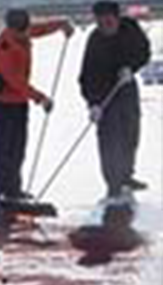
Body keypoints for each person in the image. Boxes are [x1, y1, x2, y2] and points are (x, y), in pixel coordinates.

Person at [0, 9, 74, 208]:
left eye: (26, 29)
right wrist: (41, 99)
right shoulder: (3, 48)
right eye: (22, 32)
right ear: (10, 29)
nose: (26, 34)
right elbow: (16, 82)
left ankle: (12, 189)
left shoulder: (22, 31)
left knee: (18, 147)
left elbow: (40, 28)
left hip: (18, 101)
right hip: (0, 103)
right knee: (2, 148)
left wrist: (61, 24)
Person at [79, 1, 151, 199]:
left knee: (130, 133)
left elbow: (144, 52)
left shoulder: (130, 28)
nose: (105, 25)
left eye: (109, 20)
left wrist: (132, 67)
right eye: (100, 21)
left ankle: (126, 175)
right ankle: (113, 183)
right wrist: (93, 104)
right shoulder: (95, 40)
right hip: (104, 95)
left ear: (117, 17)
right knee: (110, 140)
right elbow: (86, 77)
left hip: (126, 88)